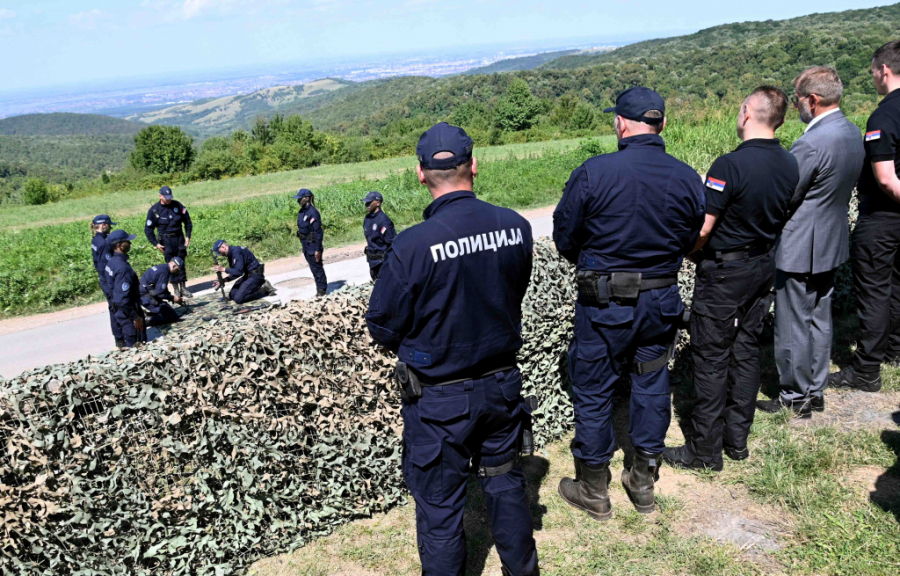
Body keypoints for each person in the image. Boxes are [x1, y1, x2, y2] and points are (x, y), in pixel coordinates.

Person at [366, 122, 538, 576]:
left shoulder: (411, 246)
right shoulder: (515, 226)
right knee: (506, 486)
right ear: (473, 166)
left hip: (439, 400)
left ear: (420, 174)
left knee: (441, 508)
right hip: (502, 387)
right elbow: (512, 292)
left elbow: (382, 325)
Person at [553, 87, 706, 518]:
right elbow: (691, 236)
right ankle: (642, 481)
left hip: (604, 305)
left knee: (593, 388)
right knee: (652, 381)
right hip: (661, 302)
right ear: (661, 124)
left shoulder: (594, 172)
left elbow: (565, 237)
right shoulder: (686, 176)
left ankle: (593, 487)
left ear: (620, 123)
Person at [664, 87, 799, 471]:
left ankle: (704, 452)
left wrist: (687, 251)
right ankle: (736, 440)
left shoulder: (728, 165)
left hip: (725, 273)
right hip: (762, 264)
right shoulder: (790, 162)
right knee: (746, 349)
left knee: (711, 357)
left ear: (746, 112)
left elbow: (704, 229)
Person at [757, 68, 864, 417]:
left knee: (792, 323)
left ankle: (794, 396)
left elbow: (787, 193)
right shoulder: (851, 131)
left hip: (801, 242)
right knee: (819, 317)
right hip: (832, 239)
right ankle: (814, 390)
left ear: (813, 100)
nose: (796, 106)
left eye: (798, 99)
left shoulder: (812, 142)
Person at [829, 40, 900, 392]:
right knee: (898, 286)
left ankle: (867, 369)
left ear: (884, 70)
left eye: (872, 71)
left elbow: (886, 179)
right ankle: (895, 351)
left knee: (874, 292)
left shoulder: (884, 117)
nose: (873, 77)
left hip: (883, 218)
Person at [145, 185, 193, 299]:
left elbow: (188, 222)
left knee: (181, 262)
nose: (169, 199)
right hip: (166, 241)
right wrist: (156, 244)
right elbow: (148, 229)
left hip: (179, 239)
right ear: (160, 196)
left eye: (170, 197)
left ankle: (183, 288)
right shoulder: (154, 210)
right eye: (166, 197)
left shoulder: (177, 205)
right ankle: (176, 289)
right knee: (171, 264)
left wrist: (188, 237)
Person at [105, 229, 146, 348]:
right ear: (119, 245)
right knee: (137, 348)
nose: (130, 243)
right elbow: (122, 299)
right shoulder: (122, 268)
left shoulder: (111, 262)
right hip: (129, 314)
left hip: (120, 311)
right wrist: (135, 317)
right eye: (127, 241)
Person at [91, 214, 125, 349]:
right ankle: (120, 339)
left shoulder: (96, 239)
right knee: (116, 307)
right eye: (109, 225)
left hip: (103, 278)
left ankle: (120, 337)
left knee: (113, 307)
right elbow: (108, 265)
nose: (110, 228)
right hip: (108, 280)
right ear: (103, 225)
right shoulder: (104, 243)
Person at [212, 240, 275, 304]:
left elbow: (239, 271)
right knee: (232, 295)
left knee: (238, 299)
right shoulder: (230, 254)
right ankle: (252, 288)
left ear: (223, 247)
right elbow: (235, 273)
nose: (220, 254)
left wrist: (223, 269)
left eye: (219, 252)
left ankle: (263, 288)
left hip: (256, 275)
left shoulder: (236, 252)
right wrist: (224, 280)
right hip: (248, 275)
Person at [294, 188, 327, 296]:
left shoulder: (313, 213)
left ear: (307, 198)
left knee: (317, 268)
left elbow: (318, 232)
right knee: (313, 268)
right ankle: (319, 289)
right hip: (305, 244)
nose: (298, 201)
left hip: (313, 245)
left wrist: (318, 249)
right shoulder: (302, 212)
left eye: (300, 199)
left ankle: (321, 291)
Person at [361, 190, 397, 281]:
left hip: (383, 262)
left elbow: (392, 242)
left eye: (369, 202)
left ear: (378, 203)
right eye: (366, 203)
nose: (366, 205)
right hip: (372, 262)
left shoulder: (384, 220)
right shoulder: (367, 219)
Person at [139, 257, 186, 326]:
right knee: (172, 317)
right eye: (178, 270)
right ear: (174, 266)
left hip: (148, 294)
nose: (178, 272)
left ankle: (150, 315)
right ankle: (145, 320)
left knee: (168, 310)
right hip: (146, 297)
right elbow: (161, 294)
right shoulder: (163, 274)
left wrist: (172, 297)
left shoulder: (162, 268)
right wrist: (173, 298)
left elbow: (161, 289)